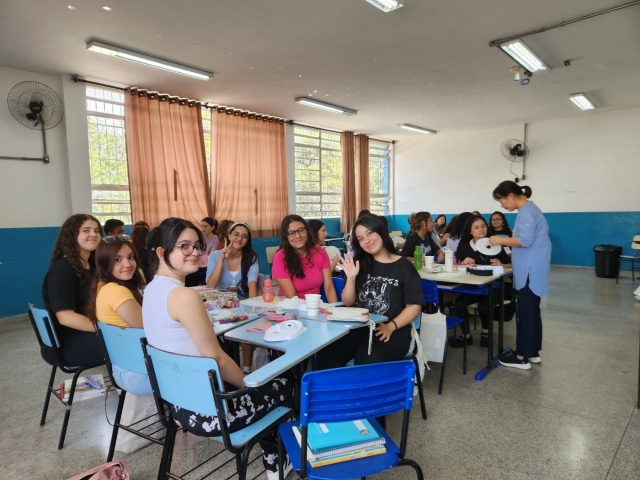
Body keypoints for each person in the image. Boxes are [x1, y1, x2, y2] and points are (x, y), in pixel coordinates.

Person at [143, 218, 292, 479]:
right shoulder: (184, 296)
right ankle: (277, 462)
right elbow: (216, 359)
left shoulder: (152, 289)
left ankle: (275, 457)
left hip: (177, 405)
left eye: (198, 246)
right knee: (285, 385)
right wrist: (250, 385)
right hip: (212, 412)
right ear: (161, 252)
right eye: (184, 247)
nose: (195, 253)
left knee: (257, 383)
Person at [315, 215, 424, 369]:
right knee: (326, 355)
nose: (366, 240)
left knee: (367, 362)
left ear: (380, 232)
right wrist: (351, 277)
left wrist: (391, 326)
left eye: (370, 233)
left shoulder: (404, 266)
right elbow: (348, 302)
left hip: (391, 329)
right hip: (359, 327)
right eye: (360, 238)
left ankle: (361, 392)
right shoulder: (359, 263)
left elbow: (413, 306)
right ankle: (331, 392)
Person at [489, 181, 551, 370]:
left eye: (501, 200)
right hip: (533, 267)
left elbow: (524, 241)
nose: (501, 205)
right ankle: (532, 352)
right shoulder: (530, 210)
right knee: (532, 311)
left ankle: (521, 356)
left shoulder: (526, 212)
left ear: (511, 196)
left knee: (525, 312)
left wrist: (499, 239)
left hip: (530, 270)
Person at [87, 235, 151, 395]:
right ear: (104, 262)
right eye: (117, 260)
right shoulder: (118, 291)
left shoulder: (102, 286)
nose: (128, 264)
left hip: (123, 369)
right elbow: (151, 331)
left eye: (130, 257)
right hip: (140, 375)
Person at [41, 214, 105, 366]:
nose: (93, 234)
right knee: (131, 345)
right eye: (86, 230)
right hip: (66, 343)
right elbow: (66, 318)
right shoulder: (61, 272)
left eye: (96, 231)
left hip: (85, 332)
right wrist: (106, 328)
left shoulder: (92, 264)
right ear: (72, 235)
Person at [449, 216, 512, 348]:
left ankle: (486, 332)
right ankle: (466, 335)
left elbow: (510, 264)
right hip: (473, 286)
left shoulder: (494, 243)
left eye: (483, 226)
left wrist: (501, 264)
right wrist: (463, 262)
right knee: (459, 303)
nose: (481, 229)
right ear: (470, 231)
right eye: (476, 227)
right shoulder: (465, 245)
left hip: (494, 287)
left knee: (484, 306)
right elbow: (459, 263)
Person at [206, 222, 260, 373]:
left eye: (244, 236)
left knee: (248, 323)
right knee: (213, 330)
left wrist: (252, 306)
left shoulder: (251, 258)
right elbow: (211, 285)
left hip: (241, 299)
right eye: (236, 234)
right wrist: (221, 259)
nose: (239, 239)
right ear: (229, 235)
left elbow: (252, 283)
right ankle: (223, 369)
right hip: (217, 302)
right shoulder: (215, 255)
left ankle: (246, 370)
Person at [272, 215, 338, 302]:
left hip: (315, 306)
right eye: (291, 233)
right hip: (290, 307)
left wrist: (334, 312)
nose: (298, 236)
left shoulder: (320, 252)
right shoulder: (280, 257)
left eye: (301, 230)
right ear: (286, 237)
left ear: (307, 231)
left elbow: (329, 288)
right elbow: (292, 297)